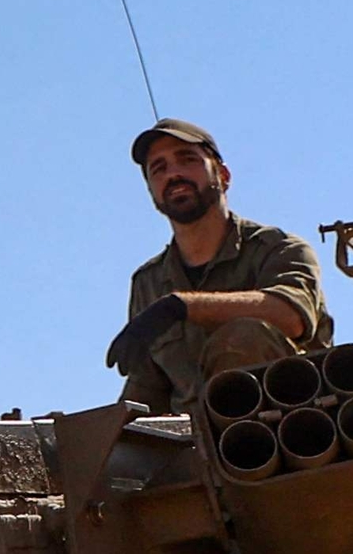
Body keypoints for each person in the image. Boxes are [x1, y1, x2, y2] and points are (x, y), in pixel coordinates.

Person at [104, 118, 333, 411]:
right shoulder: (149, 282)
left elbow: (291, 315)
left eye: (187, 160)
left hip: (293, 431)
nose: (173, 174)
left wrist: (182, 306)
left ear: (223, 176)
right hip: (197, 446)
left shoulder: (278, 249)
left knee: (243, 337)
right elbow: (148, 390)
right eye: (158, 169)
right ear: (151, 192)